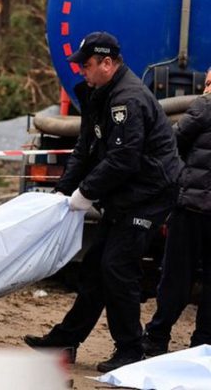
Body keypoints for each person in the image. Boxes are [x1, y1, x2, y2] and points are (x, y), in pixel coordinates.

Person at [23, 31, 182, 372]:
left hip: (149, 195)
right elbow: (85, 149)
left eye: (87, 65)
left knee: (116, 267)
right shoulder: (100, 94)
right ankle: (65, 339)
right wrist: (63, 193)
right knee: (95, 265)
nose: (82, 71)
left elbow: (124, 158)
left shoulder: (129, 99)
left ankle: (130, 349)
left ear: (107, 63)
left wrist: (86, 193)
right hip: (127, 193)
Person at [142, 67, 211, 356]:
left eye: (209, 81)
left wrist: (180, 182)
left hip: (192, 209)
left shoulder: (205, 107)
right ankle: (203, 346)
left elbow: (171, 145)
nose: (205, 86)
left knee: (175, 278)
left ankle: (156, 339)